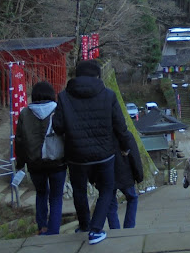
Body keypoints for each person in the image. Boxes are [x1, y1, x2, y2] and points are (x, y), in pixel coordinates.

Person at [53, 60, 131, 245]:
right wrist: (125, 146)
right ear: (97, 75)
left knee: (79, 191)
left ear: (77, 75)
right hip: (104, 154)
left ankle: (85, 225)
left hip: (76, 155)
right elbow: (120, 126)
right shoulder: (108, 95)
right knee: (106, 190)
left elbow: (57, 126)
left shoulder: (64, 97)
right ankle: (96, 230)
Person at [14, 81, 66, 235]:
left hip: (34, 163)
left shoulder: (25, 113)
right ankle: (54, 231)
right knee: (56, 198)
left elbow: (20, 140)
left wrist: (20, 163)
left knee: (41, 194)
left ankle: (42, 227)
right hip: (58, 162)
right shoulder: (58, 110)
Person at [106, 130, 143, 229]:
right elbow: (134, 156)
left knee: (110, 204)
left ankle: (114, 229)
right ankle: (129, 227)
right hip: (125, 173)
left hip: (107, 174)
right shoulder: (125, 135)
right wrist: (138, 175)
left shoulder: (101, 135)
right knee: (132, 198)